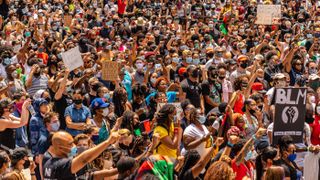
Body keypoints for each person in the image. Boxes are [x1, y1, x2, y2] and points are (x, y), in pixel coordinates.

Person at [42, 131, 119, 179]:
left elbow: (91, 176)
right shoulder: (62, 164)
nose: (74, 146)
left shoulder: (49, 163)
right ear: (60, 148)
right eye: (70, 144)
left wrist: (118, 170)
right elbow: (84, 159)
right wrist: (108, 142)